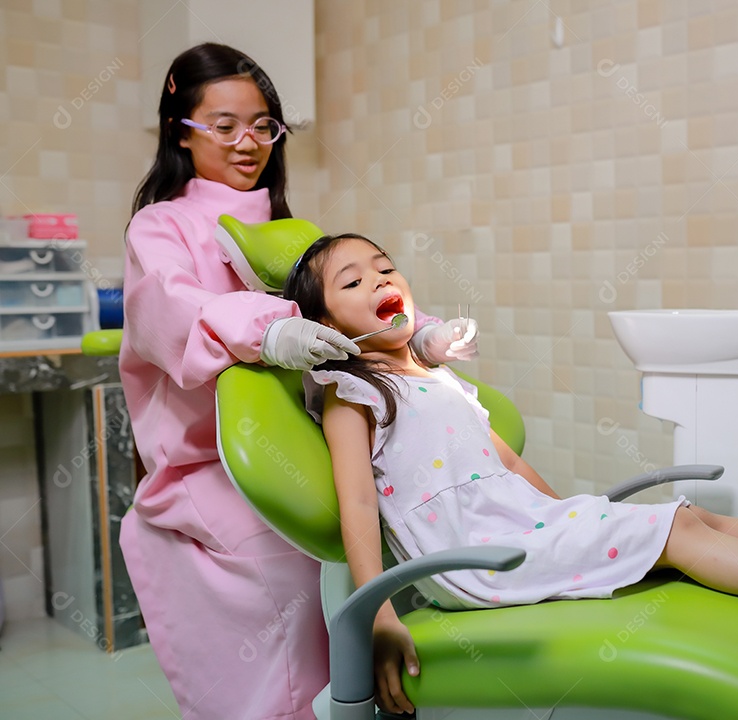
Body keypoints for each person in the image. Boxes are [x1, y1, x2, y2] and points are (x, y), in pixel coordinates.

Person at [284, 233, 738, 715]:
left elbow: (505, 464)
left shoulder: (439, 381)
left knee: (692, 518)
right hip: (479, 560)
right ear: (326, 326)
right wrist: (377, 611)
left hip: (518, 528)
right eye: (352, 280)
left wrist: (572, 514)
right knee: (680, 532)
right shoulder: (355, 393)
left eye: (385, 266)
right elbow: (356, 500)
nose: (380, 278)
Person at [118, 44, 477, 719]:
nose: (248, 142)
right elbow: (168, 306)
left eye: (263, 125)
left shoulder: (287, 230)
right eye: (224, 126)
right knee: (295, 581)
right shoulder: (159, 228)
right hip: (206, 469)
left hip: (310, 447)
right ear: (179, 129)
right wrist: (267, 331)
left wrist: (420, 328)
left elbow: (350, 295)